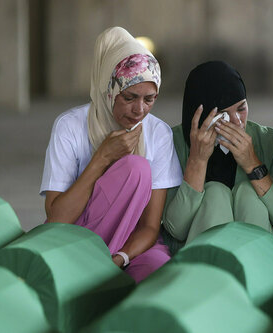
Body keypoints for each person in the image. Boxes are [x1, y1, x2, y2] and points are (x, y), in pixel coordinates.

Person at [40, 27, 182, 283]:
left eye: (149, 99)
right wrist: (102, 158)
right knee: (136, 168)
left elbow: (150, 227)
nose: (140, 110)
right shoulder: (70, 126)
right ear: (110, 90)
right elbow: (57, 220)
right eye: (129, 97)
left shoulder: (158, 133)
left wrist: (120, 258)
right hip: (79, 239)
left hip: (132, 244)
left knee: (159, 275)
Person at [161, 61, 273, 246]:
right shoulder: (172, 142)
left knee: (248, 194)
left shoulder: (268, 141)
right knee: (215, 193)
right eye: (223, 115)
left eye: (241, 108)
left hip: (259, 261)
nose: (237, 122)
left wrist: (253, 165)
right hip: (199, 258)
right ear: (200, 115)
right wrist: (197, 160)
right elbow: (176, 228)